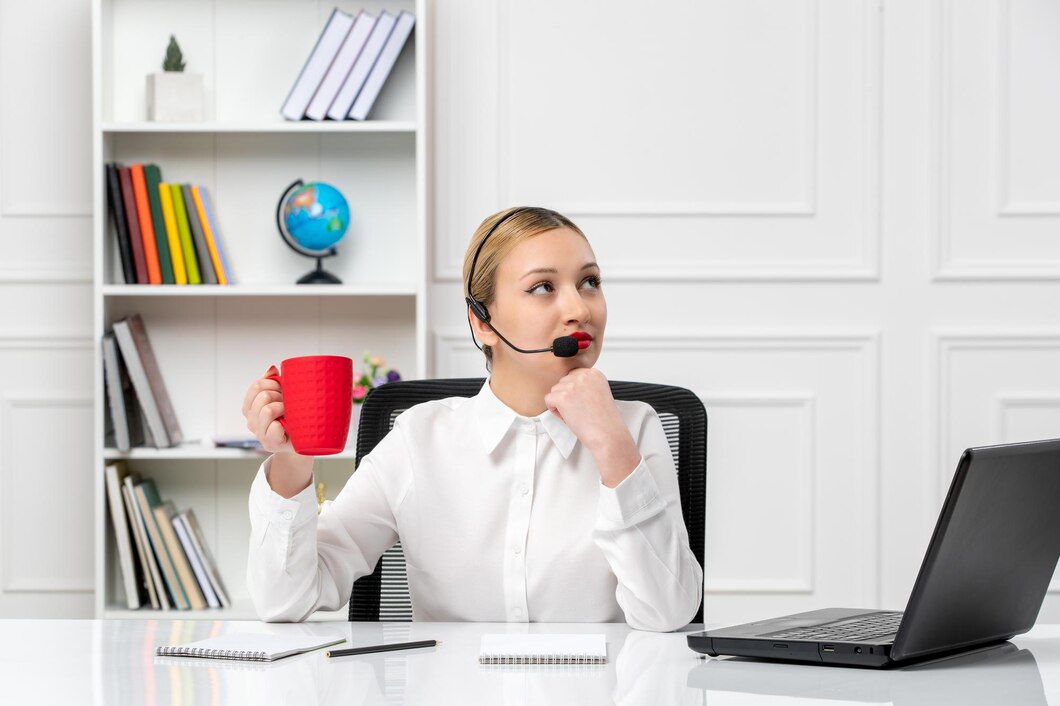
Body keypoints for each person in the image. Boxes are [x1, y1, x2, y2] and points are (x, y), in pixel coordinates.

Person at [243, 206, 703, 631]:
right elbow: (286, 600)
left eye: (590, 282)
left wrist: (611, 446)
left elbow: (668, 612)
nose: (580, 309)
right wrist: (291, 461)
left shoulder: (635, 427)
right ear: (483, 322)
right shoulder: (417, 440)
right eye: (543, 287)